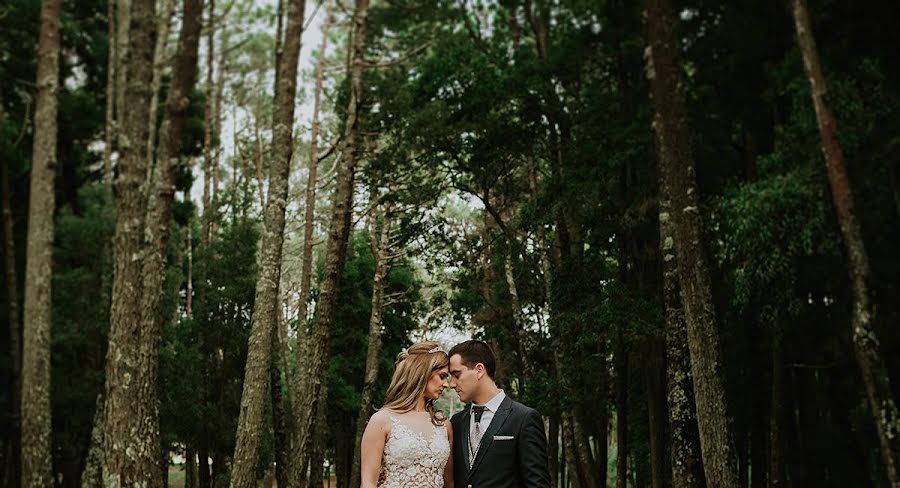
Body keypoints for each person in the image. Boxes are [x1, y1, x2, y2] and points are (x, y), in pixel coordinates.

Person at [448, 340, 550, 488]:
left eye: (457, 375)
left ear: (479, 370)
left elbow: (537, 484)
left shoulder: (524, 418)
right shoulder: (456, 422)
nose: (451, 384)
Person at [360, 340, 454, 488]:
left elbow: (450, 483)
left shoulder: (443, 424)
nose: (446, 384)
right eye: (442, 376)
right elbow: (368, 483)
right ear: (423, 372)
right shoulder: (381, 420)